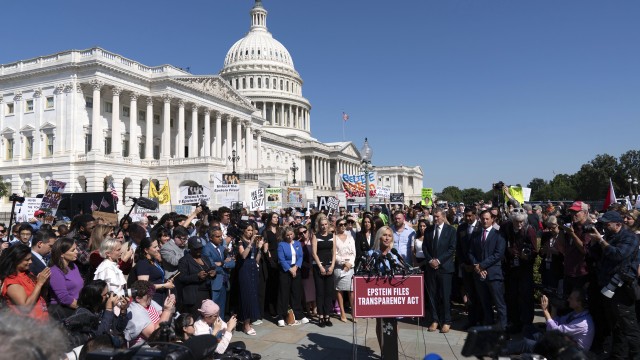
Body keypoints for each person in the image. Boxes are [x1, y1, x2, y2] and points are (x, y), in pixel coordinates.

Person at [590, 210, 640, 359]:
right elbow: (597, 256)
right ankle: (618, 355)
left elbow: (617, 255)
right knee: (615, 326)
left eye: (607, 224)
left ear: (618, 224)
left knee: (628, 327)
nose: (604, 226)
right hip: (607, 287)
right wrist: (594, 243)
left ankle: (635, 356)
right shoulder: (609, 237)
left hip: (622, 289)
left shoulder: (630, 238)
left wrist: (601, 241)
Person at [504, 288, 594, 354]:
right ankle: (536, 351)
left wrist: (545, 310)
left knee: (526, 343)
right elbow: (556, 322)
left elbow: (554, 331)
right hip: (562, 343)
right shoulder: (575, 314)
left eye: (571, 298)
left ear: (579, 303)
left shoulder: (582, 323)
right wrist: (554, 307)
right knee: (528, 329)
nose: (568, 300)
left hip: (569, 353)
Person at [500, 208, 538, 334]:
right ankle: (514, 322)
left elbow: (534, 251)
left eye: (522, 221)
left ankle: (526, 324)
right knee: (512, 296)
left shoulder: (529, 230)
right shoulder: (507, 227)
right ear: (512, 220)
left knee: (526, 297)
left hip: (524, 268)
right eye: (517, 221)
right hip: (511, 268)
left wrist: (526, 256)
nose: (519, 224)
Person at [468, 209, 507, 329]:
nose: (485, 221)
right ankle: (488, 325)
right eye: (483, 218)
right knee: (485, 303)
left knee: (499, 303)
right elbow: (470, 252)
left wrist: (482, 265)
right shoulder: (475, 234)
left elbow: (498, 254)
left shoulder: (499, 234)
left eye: (487, 219)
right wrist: (477, 266)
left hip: (494, 274)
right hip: (479, 274)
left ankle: (503, 328)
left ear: (492, 219)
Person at [422, 208, 457, 333]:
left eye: (437, 216)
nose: (435, 219)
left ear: (443, 216)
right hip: (431, 269)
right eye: (434, 216)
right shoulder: (429, 230)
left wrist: (439, 261)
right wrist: (431, 260)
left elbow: (452, 248)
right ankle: (435, 320)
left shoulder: (451, 231)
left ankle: (447, 321)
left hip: (445, 268)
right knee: (432, 295)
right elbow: (425, 247)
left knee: (445, 296)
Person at [0, 244, 50, 321]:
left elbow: (37, 296)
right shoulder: (12, 281)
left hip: (41, 324)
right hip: (27, 327)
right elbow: (25, 308)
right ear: (16, 260)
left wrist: (43, 281)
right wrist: (39, 284)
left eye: (30, 259)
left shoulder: (27, 274)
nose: (30, 262)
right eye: (27, 260)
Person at [124, 280, 176, 347]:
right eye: (149, 296)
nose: (151, 297)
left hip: (158, 344)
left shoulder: (148, 303)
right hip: (143, 350)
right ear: (138, 299)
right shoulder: (135, 311)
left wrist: (171, 305)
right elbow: (154, 335)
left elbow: (165, 317)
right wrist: (167, 310)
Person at [236, 221, 265, 335]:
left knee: (253, 296)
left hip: (253, 269)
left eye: (251, 230)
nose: (250, 232)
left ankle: (250, 321)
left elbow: (256, 259)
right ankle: (245, 324)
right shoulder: (240, 242)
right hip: (244, 271)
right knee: (246, 296)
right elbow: (243, 255)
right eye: (248, 230)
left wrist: (260, 248)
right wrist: (251, 242)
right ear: (244, 231)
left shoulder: (253, 243)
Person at [456, 207, 482, 328]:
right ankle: (471, 320)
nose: (468, 218)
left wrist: (477, 265)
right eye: (466, 216)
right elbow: (459, 248)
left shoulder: (482, 227)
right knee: (470, 295)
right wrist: (463, 264)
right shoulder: (461, 228)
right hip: (466, 267)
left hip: (478, 267)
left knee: (480, 295)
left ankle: (482, 320)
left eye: (470, 216)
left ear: (475, 215)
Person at [276, 226, 307, 326]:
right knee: (283, 294)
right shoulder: (281, 245)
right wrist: (290, 269)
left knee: (296, 293)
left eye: (291, 234)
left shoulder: (297, 243)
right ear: (284, 236)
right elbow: (281, 259)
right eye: (287, 235)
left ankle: (299, 315)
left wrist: (296, 267)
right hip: (285, 271)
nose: (289, 237)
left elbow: (300, 256)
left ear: (294, 234)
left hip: (296, 269)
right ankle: (281, 316)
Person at [129, 238, 175, 305]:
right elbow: (143, 286)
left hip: (160, 296)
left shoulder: (153, 260)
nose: (158, 249)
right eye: (155, 247)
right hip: (152, 300)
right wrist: (164, 285)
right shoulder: (143, 264)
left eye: (158, 246)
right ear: (146, 250)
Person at [177, 237, 216, 316]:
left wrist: (213, 274)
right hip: (194, 295)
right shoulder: (184, 260)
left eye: (200, 248)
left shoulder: (204, 258)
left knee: (206, 317)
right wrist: (197, 276)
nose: (199, 251)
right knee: (196, 317)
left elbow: (209, 269)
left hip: (206, 292)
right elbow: (181, 278)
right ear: (190, 248)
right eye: (196, 249)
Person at [203, 226, 235, 318]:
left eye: (221, 236)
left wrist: (222, 264)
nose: (221, 238)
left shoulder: (222, 248)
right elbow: (211, 265)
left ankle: (221, 328)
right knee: (214, 308)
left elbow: (232, 263)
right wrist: (224, 263)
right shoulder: (206, 249)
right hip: (214, 282)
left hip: (224, 281)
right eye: (217, 237)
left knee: (221, 307)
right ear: (210, 238)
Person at [48, 237, 84, 321]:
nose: (77, 252)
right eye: (73, 250)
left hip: (77, 308)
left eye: (76, 249)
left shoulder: (73, 266)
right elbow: (64, 297)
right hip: (64, 312)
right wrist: (81, 308)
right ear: (62, 254)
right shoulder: (55, 271)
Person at [311, 214, 336, 327]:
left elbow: (334, 252)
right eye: (322, 225)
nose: (324, 226)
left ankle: (327, 316)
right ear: (319, 225)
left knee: (329, 293)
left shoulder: (332, 235)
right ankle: (321, 316)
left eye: (326, 224)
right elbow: (314, 253)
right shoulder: (315, 236)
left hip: (330, 266)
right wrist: (320, 266)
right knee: (320, 292)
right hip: (318, 267)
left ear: (328, 225)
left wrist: (332, 266)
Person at [334, 218, 357, 323]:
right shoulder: (334, 238)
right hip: (339, 266)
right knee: (340, 290)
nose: (343, 226)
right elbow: (334, 254)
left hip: (350, 267)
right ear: (337, 226)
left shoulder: (350, 237)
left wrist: (349, 264)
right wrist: (343, 262)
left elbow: (354, 252)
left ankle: (353, 312)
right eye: (340, 224)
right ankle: (342, 312)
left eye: (344, 224)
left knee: (351, 290)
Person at [261, 211, 281, 318]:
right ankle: (271, 309)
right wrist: (270, 259)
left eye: (277, 217)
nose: (276, 219)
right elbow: (266, 247)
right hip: (271, 260)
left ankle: (279, 306)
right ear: (270, 219)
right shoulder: (266, 231)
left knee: (279, 285)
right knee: (272, 285)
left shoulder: (279, 230)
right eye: (274, 217)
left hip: (281, 259)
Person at [538, 216, 565, 292]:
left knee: (556, 292)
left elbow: (566, 255)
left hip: (558, 268)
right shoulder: (546, 235)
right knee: (545, 291)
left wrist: (556, 252)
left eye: (553, 227)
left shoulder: (563, 236)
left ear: (558, 225)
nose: (550, 230)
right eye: (549, 227)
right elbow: (541, 251)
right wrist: (542, 251)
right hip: (546, 267)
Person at [298, 225, 316, 317]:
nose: (303, 234)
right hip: (305, 269)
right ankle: (308, 310)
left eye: (305, 231)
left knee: (315, 289)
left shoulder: (313, 240)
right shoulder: (299, 243)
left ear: (308, 231)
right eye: (300, 233)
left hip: (315, 268)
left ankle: (315, 309)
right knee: (307, 291)